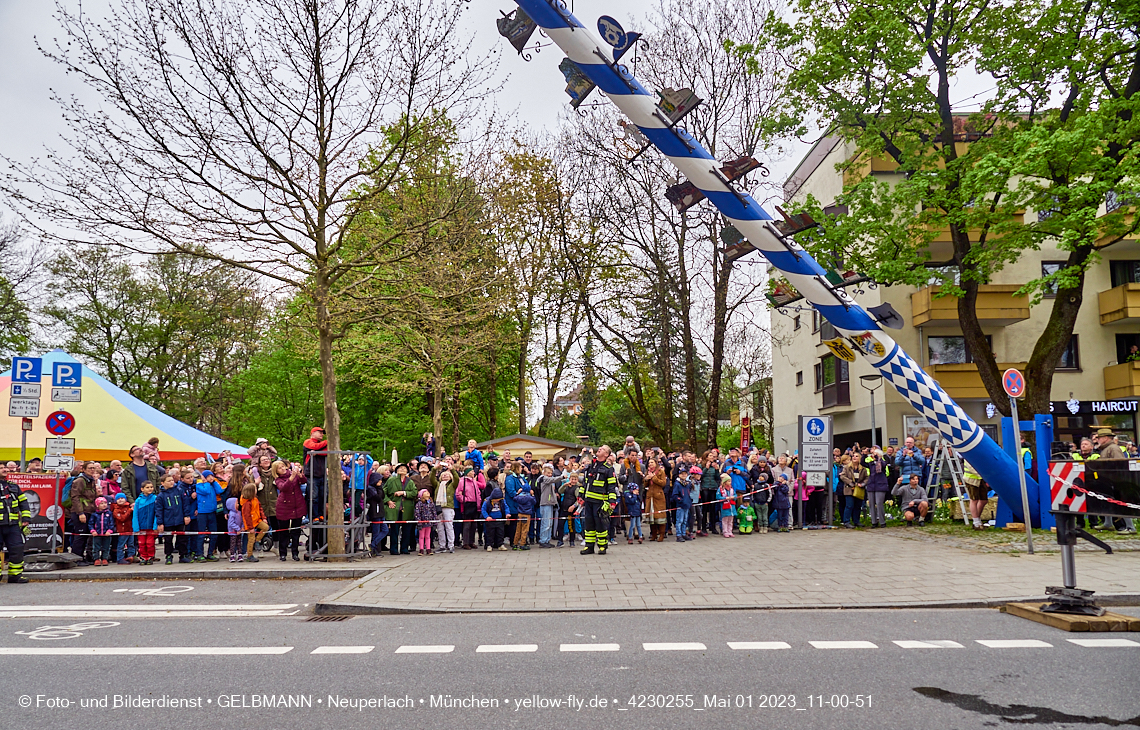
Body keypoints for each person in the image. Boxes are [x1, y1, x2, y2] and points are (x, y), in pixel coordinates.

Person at [579, 445, 618, 555]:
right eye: (599, 448)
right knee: (589, 524)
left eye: (603, 449)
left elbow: (611, 487)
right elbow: (585, 483)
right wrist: (581, 496)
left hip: (600, 501)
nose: (599, 449)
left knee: (600, 524)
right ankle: (589, 546)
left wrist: (612, 502)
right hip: (589, 501)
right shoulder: (591, 466)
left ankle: (602, 546)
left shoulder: (609, 469)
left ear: (606, 455)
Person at [0, 464, 31, 582]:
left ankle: (15, 575)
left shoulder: (13, 486)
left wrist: (26, 519)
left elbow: (23, 503)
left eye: (5, 468)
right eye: (1, 468)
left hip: (12, 525)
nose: (5, 470)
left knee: (17, 548)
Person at [68, 461, 101, 565]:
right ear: (84, 469)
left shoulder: (91, 480)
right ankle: (77, 558)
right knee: (80, 535)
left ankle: (84, 557)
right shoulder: (80, 481)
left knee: (86, 535)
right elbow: (75, 497)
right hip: (81, 512)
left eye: (93, 468)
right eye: (90, 468)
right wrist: (80, 513)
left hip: (90, 511)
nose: (92, 470)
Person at [273, 461, 307, 561]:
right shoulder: (278, 479)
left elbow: (304, 481)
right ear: (276, 471)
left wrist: (300, 475)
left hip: (297, 505)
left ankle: (295, 553)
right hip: (284, 506)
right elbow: (283, 488)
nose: (283, 469)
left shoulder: (293, 474)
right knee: (284, 531)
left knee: (296, 531)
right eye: (280, 468)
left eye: (283, 466)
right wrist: (291, 478)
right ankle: (282, 553)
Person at [156, 473, 191, 564]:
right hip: (168, 520)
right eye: (169, 481)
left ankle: (183, 555)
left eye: (172, 480)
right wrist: (160, 523)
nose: (171, 482)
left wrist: (186, 516)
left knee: (182, 539)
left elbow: (185, 504)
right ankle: (168, 555)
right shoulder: (160, 496)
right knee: (168, 540)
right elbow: (159, 510)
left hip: (180, 519)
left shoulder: (179, 491)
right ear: (163, 483)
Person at [384, 463, 416, 555]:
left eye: (404, 468)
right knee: (394, 530)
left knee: (407, 530)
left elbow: (414, 492)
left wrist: (404, 493)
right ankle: (393, 549)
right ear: (396, 470)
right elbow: (383, 492)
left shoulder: (410, 481)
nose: (402, 469)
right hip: (395, 508)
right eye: (400, 468)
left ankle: (404, 548)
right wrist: (388, 501)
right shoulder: (391, 480)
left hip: (407, 509)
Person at [193, 470, 225, 562]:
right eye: (209, 476)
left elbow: (219, 491)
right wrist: (206, 482)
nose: (211, 478)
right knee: (201, 534)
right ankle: (200, 554)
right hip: (202, 513)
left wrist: (214, 482)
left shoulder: (212, 485)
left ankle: (210, 553)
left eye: (212, 476)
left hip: (212, 512)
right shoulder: (199, 485)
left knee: (213, 534)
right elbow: (206, 491)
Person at [455, 463, 484, 550]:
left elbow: (478, 493)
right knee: (467, 525)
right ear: (467, 472)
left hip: (475, 505)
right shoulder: (462, 481)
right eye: (471, 471)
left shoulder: (474, 482)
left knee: (474, 524)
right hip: (467, 505)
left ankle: (471, 541)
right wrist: (466, 499)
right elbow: (458, 494)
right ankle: (466, 542)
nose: (473, 472)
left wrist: (479, 503)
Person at [302, 426, 328, 519]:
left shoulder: (322, 444)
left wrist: (318, 452)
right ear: (312, 433)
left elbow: (328, 451)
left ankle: (321, 514)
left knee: (322, 496)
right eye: (319, 432)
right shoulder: (308, 441)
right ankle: (314, 516)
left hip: (322, 474)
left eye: (322, 433)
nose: (322, 434)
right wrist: (328, 441)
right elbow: (314, 447)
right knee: (313, 496)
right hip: (312, 474)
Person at [240, 481, 268, 562]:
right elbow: (247, 516)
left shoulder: (255, 499)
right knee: (250, 539)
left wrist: (264, 518)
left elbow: (260, 509)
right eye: (255, 489)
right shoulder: (246, 503)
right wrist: (250, 527)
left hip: (257, 520)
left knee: (265, 527)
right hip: (250, 523)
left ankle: (257, 539)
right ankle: (249, 555)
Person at [132, 481, 158, 565]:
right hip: (141, 526)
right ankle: (143, 557)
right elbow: (135, 514)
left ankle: (150, 557)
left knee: (150, 543)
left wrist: (155, 525)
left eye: (151, 487)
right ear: (142, 489)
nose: (150, 489)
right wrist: (136, 527)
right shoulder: (138, 500)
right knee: (141, 543)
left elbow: (156, 513)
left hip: (151, 526)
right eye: (147, 487)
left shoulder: (155, 499)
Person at [840, 455, 868, 528]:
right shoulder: (847, 467)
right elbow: (842, 476)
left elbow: (867, 478)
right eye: (853, 456)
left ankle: (856, 521)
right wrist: (851, 483)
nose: (854, 458)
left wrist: (862, 484)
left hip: (859, 489)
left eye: (856, 456)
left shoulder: (863, 469)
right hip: (849, 489)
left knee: (858, 506)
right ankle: (846, 521)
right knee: (849, 505)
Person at [644, 457, 669, 542]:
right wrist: (646, 479)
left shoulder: (660, 471)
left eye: (652, 462)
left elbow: (663, 483)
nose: (650, 464)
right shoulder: (647, 471)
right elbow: (645, 485)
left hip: (658, 496)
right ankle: (654, 534)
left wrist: (653, 477)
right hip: (650, 496)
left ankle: (662, 534)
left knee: (660, 516)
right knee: (652, 516)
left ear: (656, 463)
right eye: (649, 463)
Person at [865, 448, 890, 528]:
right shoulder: (871, 463)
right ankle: (874, 522)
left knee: (879, 503)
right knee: (871, 504)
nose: (874, 455)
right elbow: (863, 463)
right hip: (871, 485)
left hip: (880, 485)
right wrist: (864, 454)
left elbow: (883, 465)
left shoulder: (883, 462)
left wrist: (879, 458)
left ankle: (882, 521)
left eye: (876, 454)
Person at [433, 467, 456, 553]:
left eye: (447, 475)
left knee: (449, 526)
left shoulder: (452, 484)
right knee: (440, 527)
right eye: (443, 475)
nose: (445, 476)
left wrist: (452, 469)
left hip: (448, 506)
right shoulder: (438, 484)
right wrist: (435, 469)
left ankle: (451, 545)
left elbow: (456, 478)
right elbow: (432, 477)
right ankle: (442, 545)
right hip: (439, 506)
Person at [481, 486, 511, 551]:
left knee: (500, 533)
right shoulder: (487, 501)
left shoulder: (502, 501)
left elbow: (506, 507)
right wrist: (487, 517)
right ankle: (489, 545)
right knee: (490, 534)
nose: (497, 501)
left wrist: (507, 513)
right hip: (490, 521)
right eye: (496, 499)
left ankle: (500, 544)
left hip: (500, 520)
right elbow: (483, 510)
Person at [537, 463, 559, 548]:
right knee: (545, 523)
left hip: (550, 503)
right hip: (545, 503)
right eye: (548, 473)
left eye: (551, 473)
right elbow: (554, 479)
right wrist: (562, 477)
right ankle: (543, 540)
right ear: (544, 473)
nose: (550, 475)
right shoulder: (543, 479)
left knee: (549, 523)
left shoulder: (549, 481)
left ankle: (547, 539)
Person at [89, 496, 116, 566]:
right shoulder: (94, 515)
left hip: (106, 534)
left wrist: (109, 530)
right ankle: (96, 559)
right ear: (97, 505)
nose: (104, 505)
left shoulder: (109, 514)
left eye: (105, 503)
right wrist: (92, 531)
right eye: (102, 503)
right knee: (96, 547)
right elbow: (91, 523)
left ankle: (105, 558)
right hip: (97, 534)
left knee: (106, 547)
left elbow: (112, 523)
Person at [111, 493, 135, 564]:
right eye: (118, 499)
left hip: (130, 529)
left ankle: (131, 556)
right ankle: (120, 558)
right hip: (122, 530)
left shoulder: (128, 507)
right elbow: (122, 518)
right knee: (121, 545)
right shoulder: (116, 510)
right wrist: (130, 510)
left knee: (131, 544)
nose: (120, 500)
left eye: (122, 498)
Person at [558, 472, 580, 547]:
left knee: (571, 526)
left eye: (575, 479)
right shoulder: (567, 486)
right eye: (572, 479)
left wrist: (573, 506)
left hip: (571, 509)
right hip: (564, 508)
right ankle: (560, 540)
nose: (573, 481)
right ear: (569, 479)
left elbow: (578, 500)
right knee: (560, 525)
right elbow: (560, 491)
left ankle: (572, 541)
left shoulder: (577, 488)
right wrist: (564, 485)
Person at [671, 468, 693, 542]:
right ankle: (678, 535)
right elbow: (674, 495)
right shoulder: (677, 484)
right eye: (682, 474)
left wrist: (689, 500)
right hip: (680, 505)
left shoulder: (688, 484)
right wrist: (680, 500)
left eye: (685, 474)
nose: (683, 475)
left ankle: (683, 534)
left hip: (687, 504)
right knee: (679, 521)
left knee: (685, 520)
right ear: (679, 475)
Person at [513, 481, 536, 551]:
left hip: (519, 514)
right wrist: (533, 495)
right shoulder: (530, 498)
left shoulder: (519, 497)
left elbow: (514, 498)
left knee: (518, 529)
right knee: (524, 530)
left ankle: (515, 544)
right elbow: (534, 502)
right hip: (527, 515)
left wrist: (517, 493)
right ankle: (522, 544)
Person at [415, 488, 437, 556]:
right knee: (421, 536)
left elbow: (434, 512)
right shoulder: (419, 504)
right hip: (422, 522)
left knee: (428, 536)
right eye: (425, 492)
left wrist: (434, 521)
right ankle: (421, 549)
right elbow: (417, 513)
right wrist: (419, 521)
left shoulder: (431, 503)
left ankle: (428, 549)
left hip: (429, 522)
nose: (427, 492)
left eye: (428, 491)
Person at [224, 497, 244, 562]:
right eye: (236, 503)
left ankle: (240, 554)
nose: (238, 504)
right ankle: (232, 555)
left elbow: (242, 520)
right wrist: (238, 529)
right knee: (233, 544)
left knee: (239, 543)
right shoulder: (232, 514)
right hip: (233, 532)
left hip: (239, 531)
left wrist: (242, 527)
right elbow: (231, 523)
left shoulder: (239, 512)